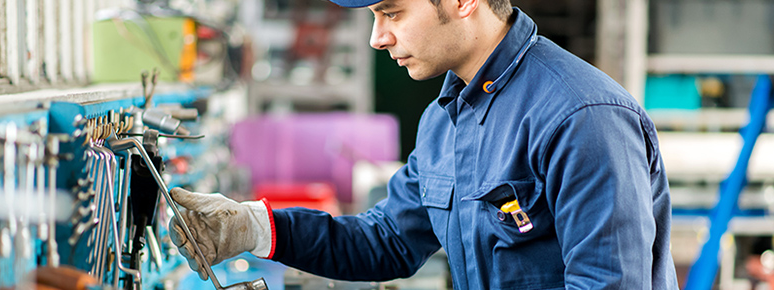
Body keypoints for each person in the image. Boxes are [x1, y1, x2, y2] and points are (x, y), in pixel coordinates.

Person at [167, 0, 680, 288]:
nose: (377, 37)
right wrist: (256, 227)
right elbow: (389, 241)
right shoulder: (445, 119)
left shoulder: (581, 116)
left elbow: (609, 283)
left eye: (391, 13)